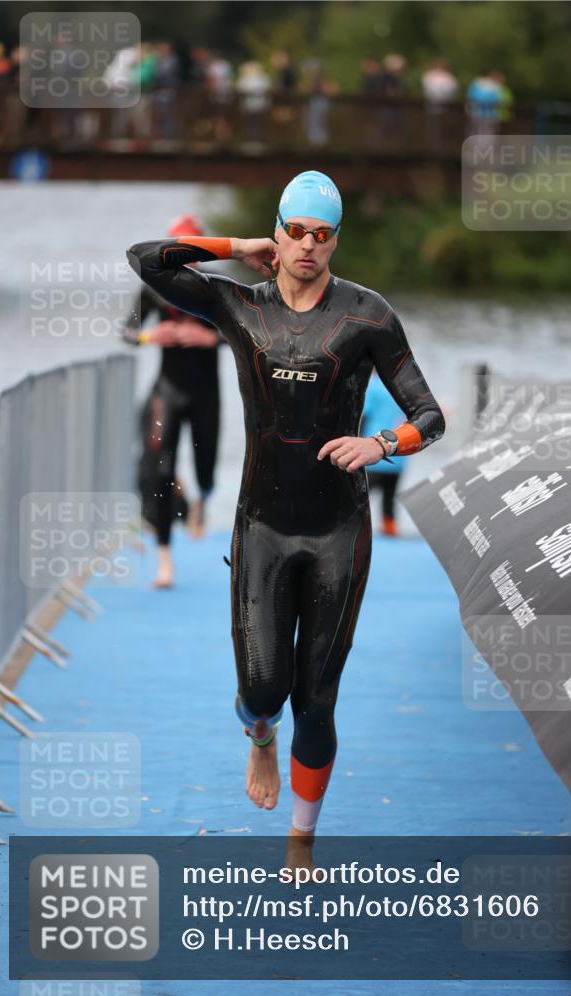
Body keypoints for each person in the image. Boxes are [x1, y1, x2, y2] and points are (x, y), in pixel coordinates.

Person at [127, 171, 445, 871]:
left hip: (338, 528)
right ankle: (259, 735)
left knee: (318, 698)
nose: (306, 245)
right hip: (263, 527)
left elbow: (431, 416)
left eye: (321, 234)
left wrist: (381, 444)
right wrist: (235, 245)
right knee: (262, 691)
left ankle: (301, 838)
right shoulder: (238, 305)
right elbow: (146, 260)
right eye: (295, 230)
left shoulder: (366, 317)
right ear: (278, 231)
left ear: (336, 241)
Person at [123, 213, 222, 588]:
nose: (182, 258)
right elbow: (127, 332)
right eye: (175, 250)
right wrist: (153, 336)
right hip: (167, 390)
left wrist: (210, 339)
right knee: (160, 474)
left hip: (206, 393)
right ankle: (165, 560)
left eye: (189, 252)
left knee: (207, 470)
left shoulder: (215, 288)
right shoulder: (152, 289)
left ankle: (202, 498)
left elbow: (246, 334)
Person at [361, 371, 408, 536]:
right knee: (390, 496)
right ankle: (390, 527)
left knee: (360, 498)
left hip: (373, 450)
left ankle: (347, 526)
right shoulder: (404, 386)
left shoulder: (372, 386)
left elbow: (363, 416)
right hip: (399, 451)